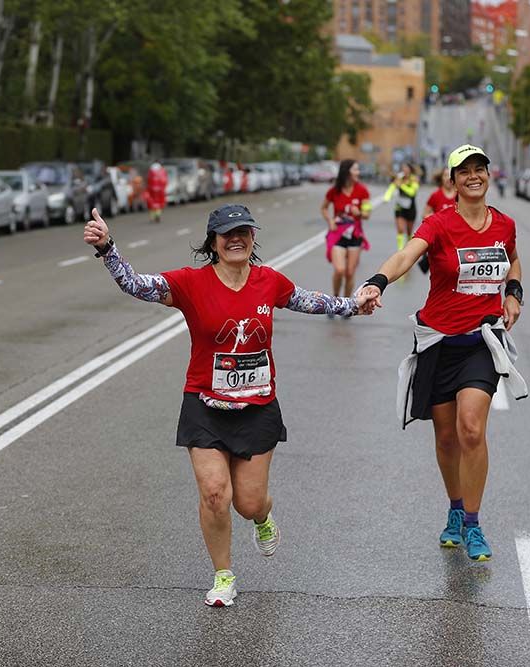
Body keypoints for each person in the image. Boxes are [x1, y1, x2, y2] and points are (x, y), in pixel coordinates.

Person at [84, 204, 369, 606]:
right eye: (226, 233)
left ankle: (263, 518)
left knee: (248, 501)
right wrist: (108, 247)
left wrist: (354, 305)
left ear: (253, 239)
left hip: (257, 407)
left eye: (243, 232)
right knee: (216, 493)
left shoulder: (269, 282)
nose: (235, 239)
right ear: (213, 242)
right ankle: (223, 575)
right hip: (204, 403)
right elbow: (134, 284)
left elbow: (312, 301)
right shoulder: (190, 283)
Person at [358, 144, 527, 562]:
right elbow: (404, 256)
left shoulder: (504, 225)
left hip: (480, 343)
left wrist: (514, 292)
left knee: (472, 428)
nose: (473, 176)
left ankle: (472, 522)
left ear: (488, 176)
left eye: (480, 169)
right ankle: (454, 508)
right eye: (464, 170)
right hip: (438, 342)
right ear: (451, 180)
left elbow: (514, 261)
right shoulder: (438, 224)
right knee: (447, 436)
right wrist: (378, 281)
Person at [320, 159, 372, 314]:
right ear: (347, 172)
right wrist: (330, 220)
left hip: (355, 236)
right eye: (356, 169)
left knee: (350, 272)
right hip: (338, 235)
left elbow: (367, 214)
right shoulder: (334, 191)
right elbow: (323, 208)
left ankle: (346, 304)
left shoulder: (363, 191)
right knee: (340, 269)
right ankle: (335, 300)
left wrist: (360, 213)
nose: (358, 173)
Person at [417, 169, 457, 275]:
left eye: (450, 176)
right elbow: (425, 214)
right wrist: (438, 221)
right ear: (441, 178)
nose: (448, 178)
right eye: (445, 175)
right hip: (439, 238)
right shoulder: (436, 195)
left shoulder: (460, 195)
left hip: (456, 238)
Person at [384, 163, 420, 251]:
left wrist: (401, 186)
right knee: (400, 229)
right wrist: (387, 197)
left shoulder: (414, 179)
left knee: (409, 232)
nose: (404, 170)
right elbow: (392, 187)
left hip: (411, 208)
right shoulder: (399, 178)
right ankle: (400, 250)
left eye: (406, 168)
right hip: (400, 207)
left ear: (410, 169)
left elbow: (412, 192)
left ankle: (408, 248)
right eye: (403, 168)